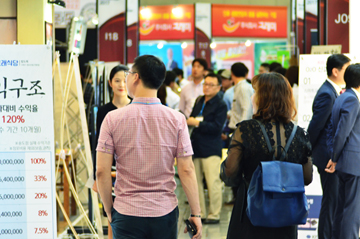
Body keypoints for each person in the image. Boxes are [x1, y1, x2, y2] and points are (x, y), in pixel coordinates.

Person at [96, 55, 202, 239]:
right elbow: (186, 169)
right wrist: (196, 213)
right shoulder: (177, 119)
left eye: (128, 74)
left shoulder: (112, 119)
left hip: (126, 211)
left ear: (135, 77)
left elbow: (101, 171)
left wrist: (109, 210)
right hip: (164, 211)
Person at [222, 72, 313, 239]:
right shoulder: (299, 134)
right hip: (286, 214)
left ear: (263, 98)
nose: (252, 97)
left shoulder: (245, 130)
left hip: (251, 211)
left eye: (255, 93)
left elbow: (230, 173)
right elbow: (307, 178)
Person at [307, 54, 350, 239]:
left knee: (334, 200)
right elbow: (316, 126)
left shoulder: (333, 91)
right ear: (335, 71)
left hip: (331, 155)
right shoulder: (327, 93)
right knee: (330, 202)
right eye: (346, 70)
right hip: (326, 156)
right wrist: (308, 150)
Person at [92, 64, 130, 239]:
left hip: (131, 169)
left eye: (124, 80)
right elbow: (99, 145)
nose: (121, 84)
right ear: (110, 83)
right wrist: (96, 176)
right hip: (110, 170)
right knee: (112, 213)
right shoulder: (103, 111)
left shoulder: (135, 108)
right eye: (117, 80)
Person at [187, 73, 227, 224]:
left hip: (211, 147)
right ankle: (201, 213)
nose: (207, 87)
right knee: (195, 183)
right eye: (205, 84)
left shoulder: (221, 104)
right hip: (195, 146)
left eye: (211, 85)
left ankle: (214, 214)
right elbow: (192, 117)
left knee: (212, 182)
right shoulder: (199, 100)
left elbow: (217, 128)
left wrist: (197, 123)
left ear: (218, 87)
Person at [326, 64, 360, 239]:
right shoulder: (353, 99)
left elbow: (335, 131)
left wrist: (334, 156)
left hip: (344, 163)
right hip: (353, 163)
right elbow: (342, 132)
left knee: (342, 207)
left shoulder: (341, 97)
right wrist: (334, 156)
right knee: (353, 210)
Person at [228, 62, 253, 130]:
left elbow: (247, 109)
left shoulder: (243, 88)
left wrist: (242, 129)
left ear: (232, 73)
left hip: (239, 129)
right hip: (237, 127)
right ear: (246, 74)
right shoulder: (240, 87)